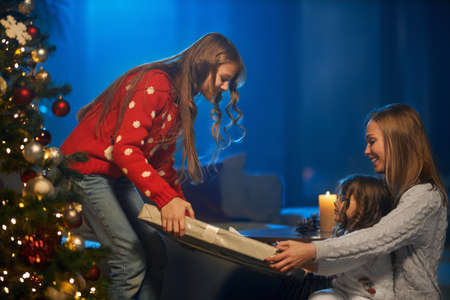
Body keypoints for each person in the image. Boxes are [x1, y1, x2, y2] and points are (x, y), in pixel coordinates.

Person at [60, 32, 246, 300]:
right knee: (128, 258)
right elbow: (126, 149)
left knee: (156, 252)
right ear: (205, 64)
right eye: (224, 79)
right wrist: (165, 199)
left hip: (115, 174)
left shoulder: (182, 101)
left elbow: (160, 164)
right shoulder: (156, 84)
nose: (225, 88)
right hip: (87, 170)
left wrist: (178, 205)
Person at [266, 104, 448, 299]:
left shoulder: (425, 196)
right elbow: (362, 253)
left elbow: (378, 237)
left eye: (372, 141)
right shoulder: (397, 193)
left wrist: (312, 250)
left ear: (397, 142)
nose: (366, 151)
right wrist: (305, 259)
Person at [305, 175, 393, 299]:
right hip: (344, 292)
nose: (336, 203)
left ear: (364, 207)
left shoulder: (367, 240)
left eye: (344, 199)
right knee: (319, 297)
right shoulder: (345, 232)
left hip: (370, 296)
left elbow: (332, 266)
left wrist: (301, 261)